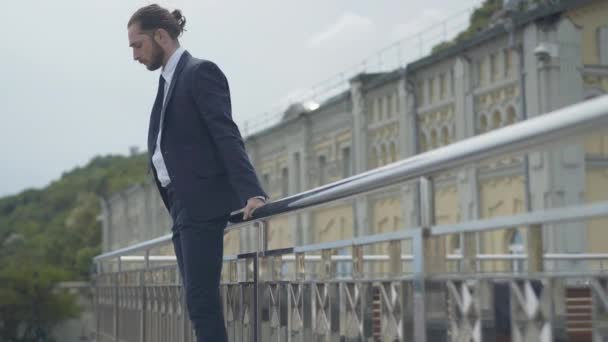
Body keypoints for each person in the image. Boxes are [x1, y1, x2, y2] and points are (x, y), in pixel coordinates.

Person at [127, 4, 268, 341]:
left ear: (161, 36)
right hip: (181, 205)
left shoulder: (199, 72)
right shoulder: (168, 81)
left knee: (201, 300)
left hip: (201, 203)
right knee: (196, 299)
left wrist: (253, 191)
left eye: (137, 45)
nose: (134, 55)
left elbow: (225, 133)